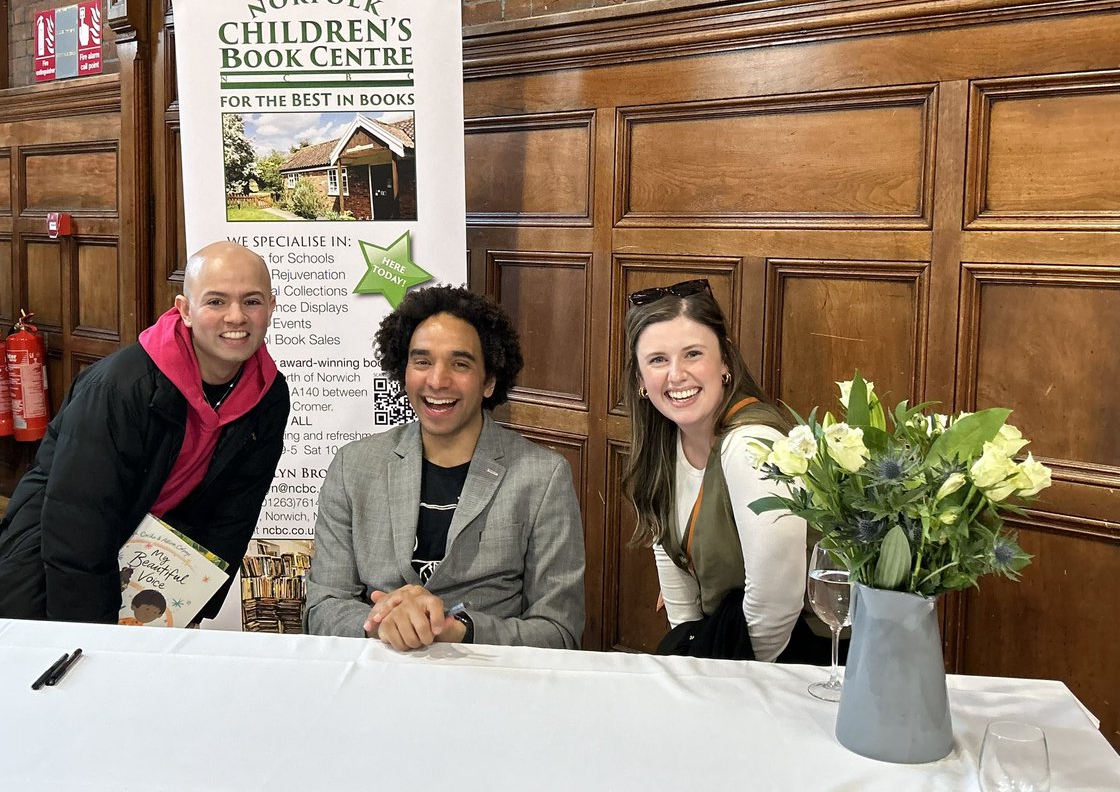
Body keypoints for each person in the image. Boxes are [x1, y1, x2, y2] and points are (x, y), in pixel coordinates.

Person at [0, 240, 289, 624]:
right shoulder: (119, 388)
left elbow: (234, 515)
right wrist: (90, 635)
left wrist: (191, 604)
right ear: (186, 311)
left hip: (156, 564)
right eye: (216, 301)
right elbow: (78, 520)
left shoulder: (268, 394)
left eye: (252, 301)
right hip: (52, 566)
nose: (236, 317)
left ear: (271, 307)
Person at [304, 284, 585, 651]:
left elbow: (560, 631)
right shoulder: (353, 465)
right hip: (377, 678)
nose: (437, 380)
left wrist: (459, 629)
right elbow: (321, 608)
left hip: (487, 681)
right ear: (403, 371)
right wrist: (380, 623)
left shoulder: (543, 476)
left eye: (460, 363)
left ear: (489, 381)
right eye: (422, 361)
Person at [622, 278, 809, 661]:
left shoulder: (752, 446)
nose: (676, 375)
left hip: (789, 659)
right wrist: (690, 646)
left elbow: (776, 603)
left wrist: (728, 679)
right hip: (723, 650)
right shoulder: (663, 443)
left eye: (692, 354)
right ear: (641, 379)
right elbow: (669, 552)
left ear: (724, 362)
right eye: (658, 360)